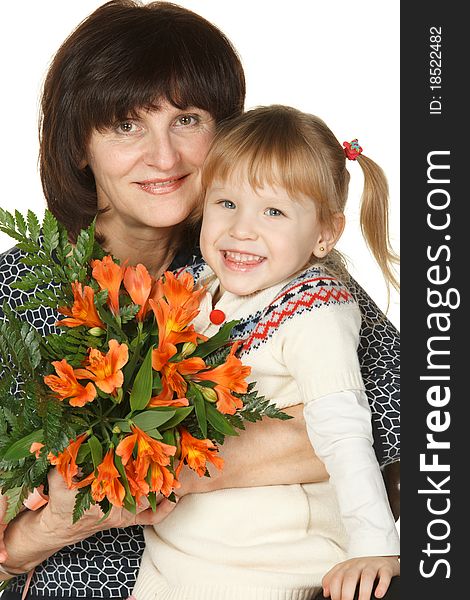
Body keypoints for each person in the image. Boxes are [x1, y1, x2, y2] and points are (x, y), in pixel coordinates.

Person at [0, 1, 399, 599]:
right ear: (79, 145)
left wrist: (157, 471)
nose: (163, 157)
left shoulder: (257, 258)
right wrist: (47, 528)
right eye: (127, 125)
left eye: (187, 119)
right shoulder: (22, 292)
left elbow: (411, 418)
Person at [132, 105, 400, 600]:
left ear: (325, 233)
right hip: (172, 560)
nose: (241, 229)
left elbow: (344, 432)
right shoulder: (197, 287)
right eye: (226, 203)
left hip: (265, 567)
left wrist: (374, 545)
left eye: (273, 211)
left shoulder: (314, 312)